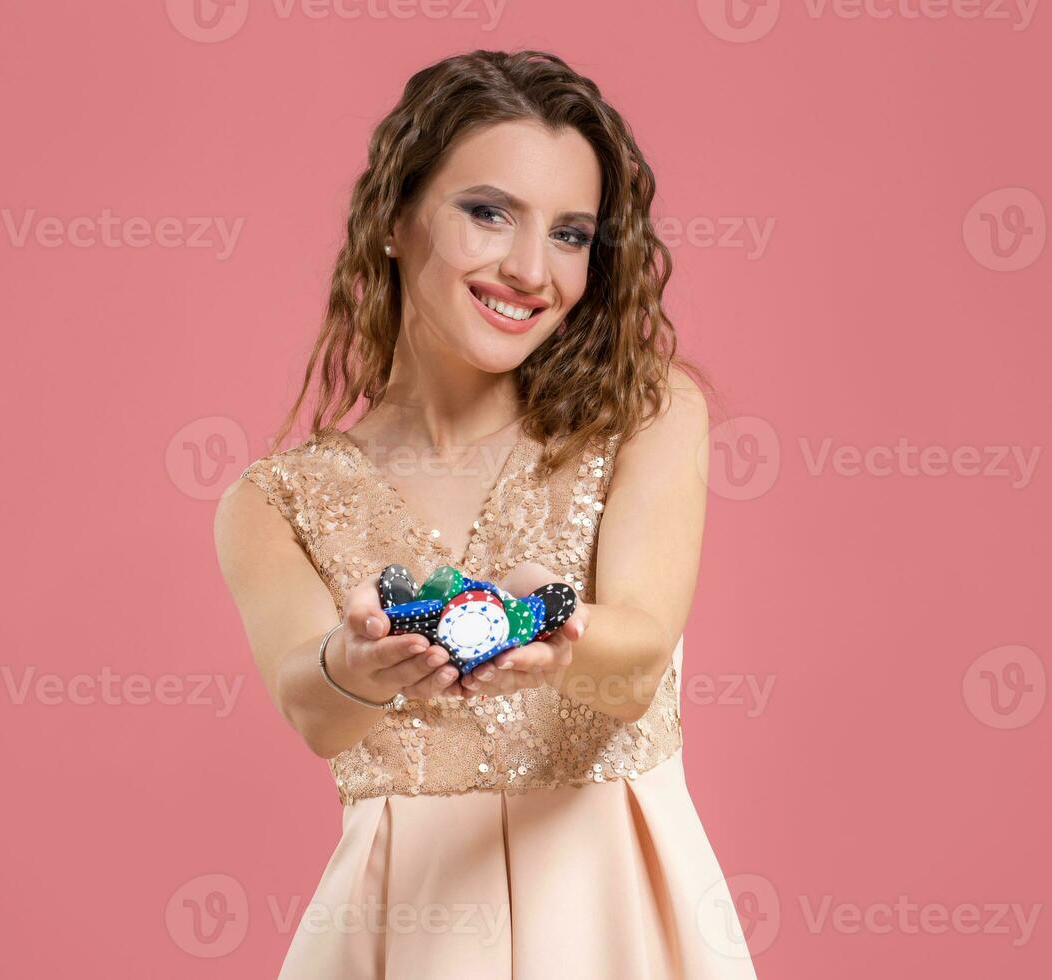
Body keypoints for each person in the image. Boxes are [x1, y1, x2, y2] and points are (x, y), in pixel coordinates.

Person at [215, 48, 758, 979]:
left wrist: (560, 633)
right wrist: (357, 666)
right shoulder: (276, 500)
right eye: (488, 213)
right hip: (406, 932)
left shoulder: (646, 412)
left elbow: (639, 655)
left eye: (572, 234)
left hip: (619, 911)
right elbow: (314, 713)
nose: (529, 269)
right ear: (393, 218)